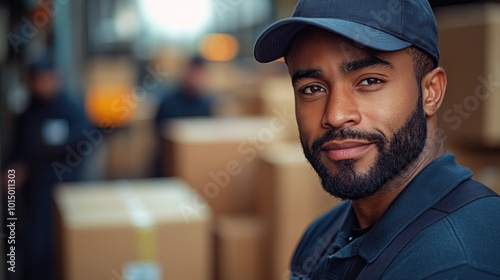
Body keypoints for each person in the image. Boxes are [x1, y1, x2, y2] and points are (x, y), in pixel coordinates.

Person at [254, 0, 500, 279]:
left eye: (369, 81)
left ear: (430, 92)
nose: (335, 115)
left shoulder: (459, 265)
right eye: (312, 88)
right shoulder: (323, 233)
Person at [2, 52, 91, 280]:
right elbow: (17, 149)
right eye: (37, 80)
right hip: (35, 191)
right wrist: (12, 169)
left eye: (46, 78)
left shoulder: (70, 107)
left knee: (62, 246)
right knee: (34, 247)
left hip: (66, 189)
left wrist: (48, 148)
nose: (42, 84)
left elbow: (83, 141)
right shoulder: (27, 112)